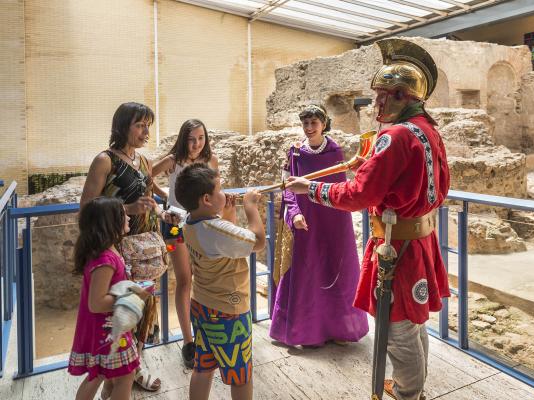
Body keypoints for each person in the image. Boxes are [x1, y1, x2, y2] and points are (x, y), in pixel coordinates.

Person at [286, 38, 450, 400]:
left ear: (403, 96)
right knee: (414, 320)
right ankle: (413, 387)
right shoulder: (427, 129)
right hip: (420, 240)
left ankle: (408, 392)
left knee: (398, 329)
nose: (375, 103)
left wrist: (309, 190)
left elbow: (359, 194)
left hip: (397, 246)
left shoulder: (394, 137)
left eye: (382, 95)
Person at [80, 102, 178, 392]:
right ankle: (117, 378)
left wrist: (162, 214)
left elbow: (148, 202)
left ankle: (131, 370)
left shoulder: (144, 162)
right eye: (140, 125)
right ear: (123, 126)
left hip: (145, 252)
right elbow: (87, 208)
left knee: (143, 313)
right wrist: (128, 208)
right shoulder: (105, 160)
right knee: (120, 317)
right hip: (117, 252)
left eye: (148, 125)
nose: (146, 131)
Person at [269, 104, 368, 347]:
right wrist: (294, 215)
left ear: (324, 124)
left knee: (335, 269)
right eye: (306, 123)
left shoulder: (335, 151)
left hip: (334, 221)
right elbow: (288, 189)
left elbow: (340, 188)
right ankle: (308, 333)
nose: (309, 128)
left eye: (314, 123)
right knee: (307, 272)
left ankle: (338, 330)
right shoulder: (295, 152)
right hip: (306, 221)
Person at [175, 164, 266, 400]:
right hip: (229, 313)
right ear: (206, 198)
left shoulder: (190, 222)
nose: (224, 193)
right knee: (241, 374)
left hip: (202, 307)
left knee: (203, 367)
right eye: (220, 189)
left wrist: (227, 214)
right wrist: (251, 207)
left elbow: (223, 242)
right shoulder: (214, 230)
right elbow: (257, 242)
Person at [152, 119, 219, 368]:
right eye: (192, 139)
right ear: (183, 139)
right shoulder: (173, 160)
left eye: (201, 138)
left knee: (205, 277)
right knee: (184, 279)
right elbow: (146, 177)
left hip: (202, 224)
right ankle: (189, 342)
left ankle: (206, 333)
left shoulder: (210, 161)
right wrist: (164, 196)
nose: (197, 144)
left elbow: (215, 191)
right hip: (173, 225)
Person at [68, 197, 149, 400]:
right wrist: (131, 296)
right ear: (110, 223)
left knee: (98, 375)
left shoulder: (107, 251)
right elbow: (96, 304)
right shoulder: (105, 259)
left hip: (108, 328)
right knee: (125, 376)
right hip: (108, 330)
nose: (128, 217)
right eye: (123, 214)